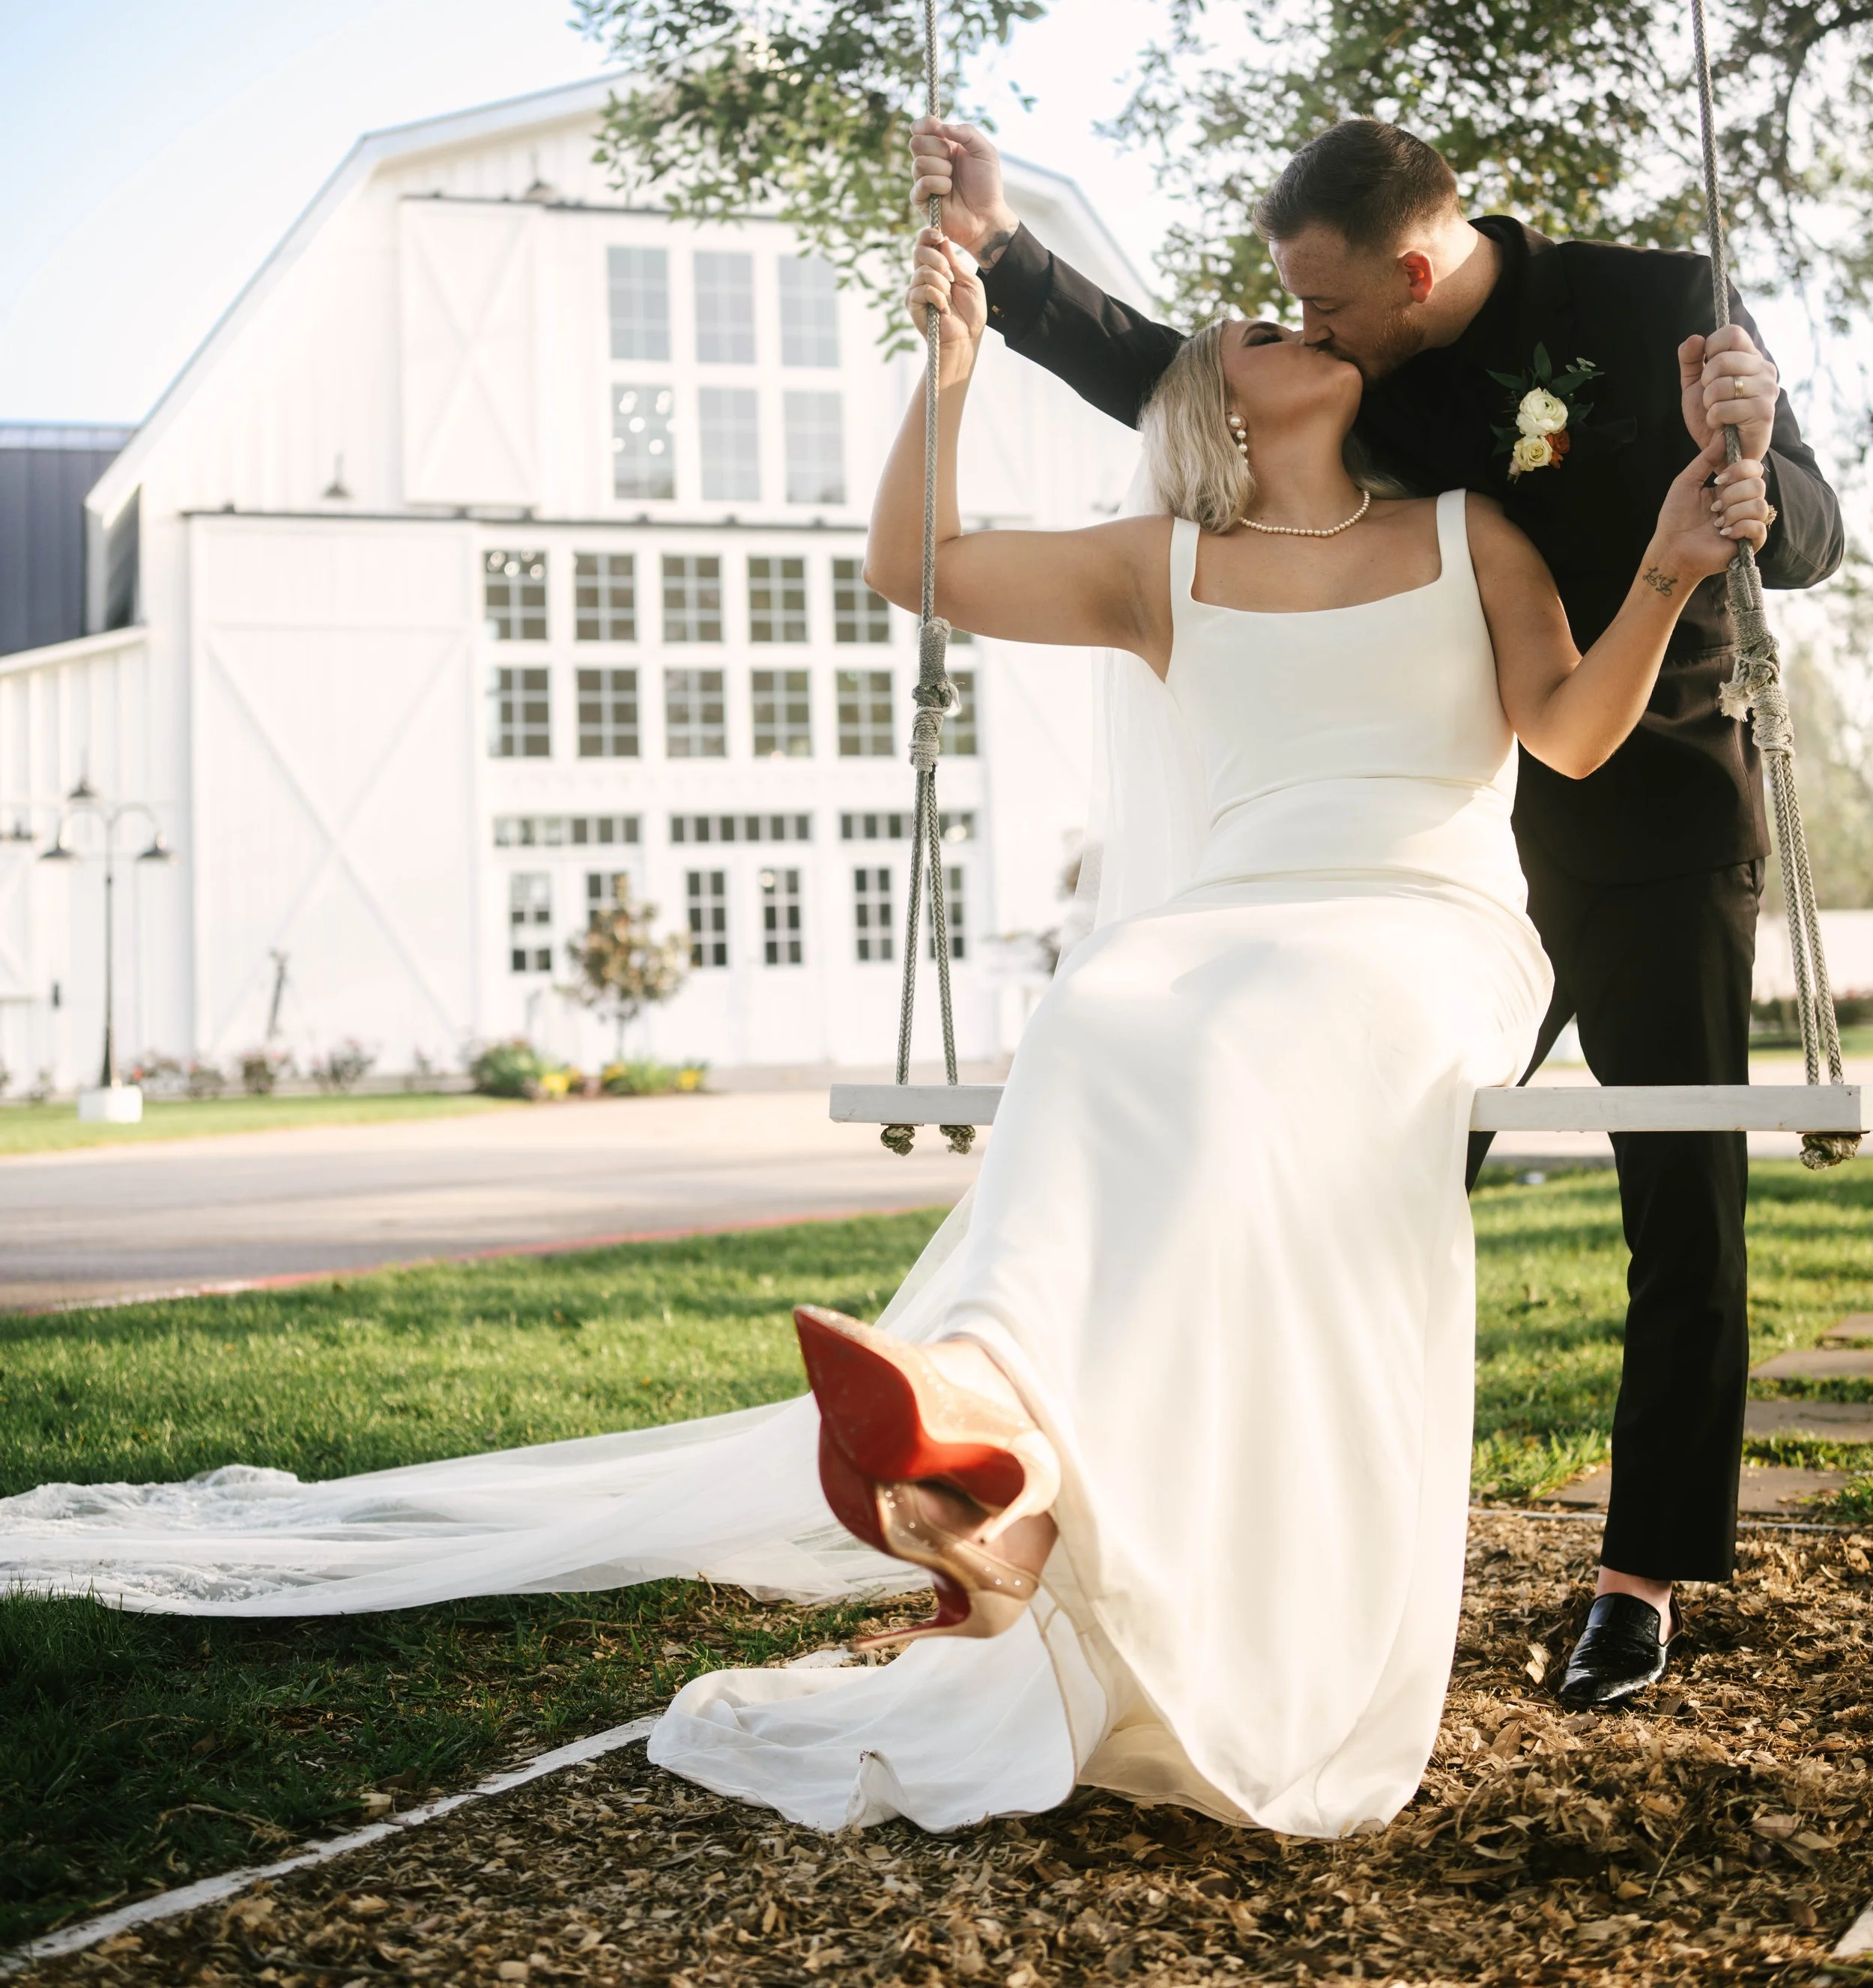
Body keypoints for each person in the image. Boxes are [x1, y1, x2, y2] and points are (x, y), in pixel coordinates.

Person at [0, 225, 1770, 1837]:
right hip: (1227, 922)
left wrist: (1671, 570)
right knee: (1106, 1001)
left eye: (1283, 311)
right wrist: (944, 376)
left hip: (1418, 924)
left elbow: (1569, 733)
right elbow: (908, 560)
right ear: (1211, 412)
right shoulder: (1158, 562)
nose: (1270, 324)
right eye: (1244, 325)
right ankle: (985, 1456)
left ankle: (1014, 1455)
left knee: (1229, 1041)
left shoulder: (1469, 529)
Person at [909, 115, 1844, 1709]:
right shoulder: (1356, 362)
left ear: (1411, 272)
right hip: (1429, 836)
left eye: (1324, 308)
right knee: (1324, 1185)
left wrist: (1747, 458)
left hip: (1642, 817)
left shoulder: (1655, 303)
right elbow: (1171, 370)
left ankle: (1634, 1576)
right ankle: (1220, 1530)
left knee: (1676, 1205)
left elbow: (1811, 541)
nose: (1305, 330)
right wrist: (1000, 256)